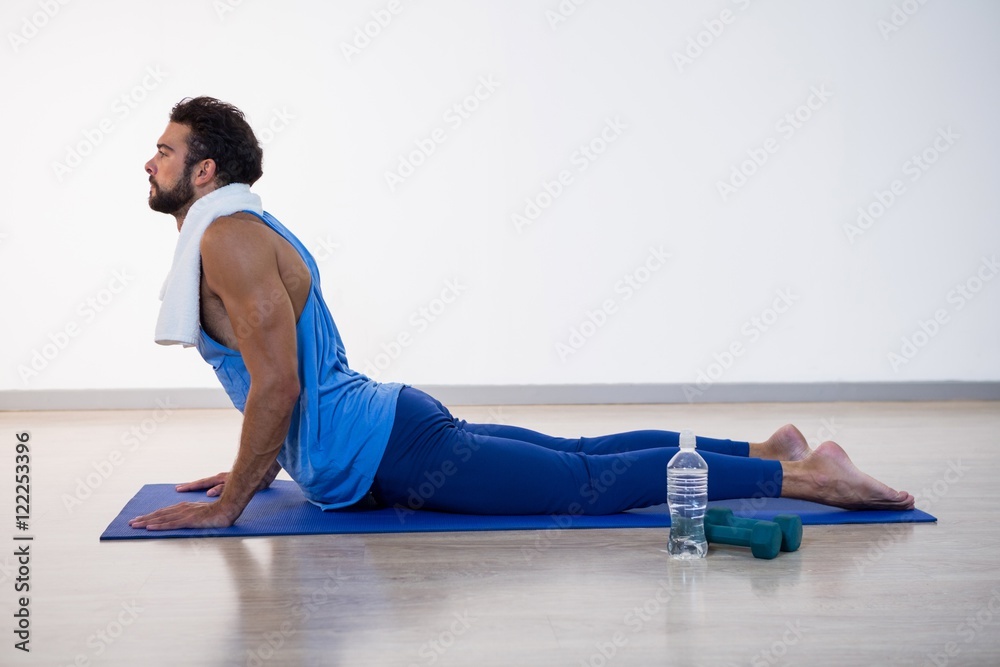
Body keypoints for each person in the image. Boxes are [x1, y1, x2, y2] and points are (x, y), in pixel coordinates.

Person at [128, 97, 914, 531]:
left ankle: (807, 475)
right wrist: (250, 466)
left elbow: (279, 384)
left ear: (204, 171)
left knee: (586, 480)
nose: (149, 161)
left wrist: (234, 501)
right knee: (576, 454)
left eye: (164, 150)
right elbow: (279, 383)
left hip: (390, 448)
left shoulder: (227, 238)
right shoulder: (234, 230)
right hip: (391, 431)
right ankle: (766, 443)